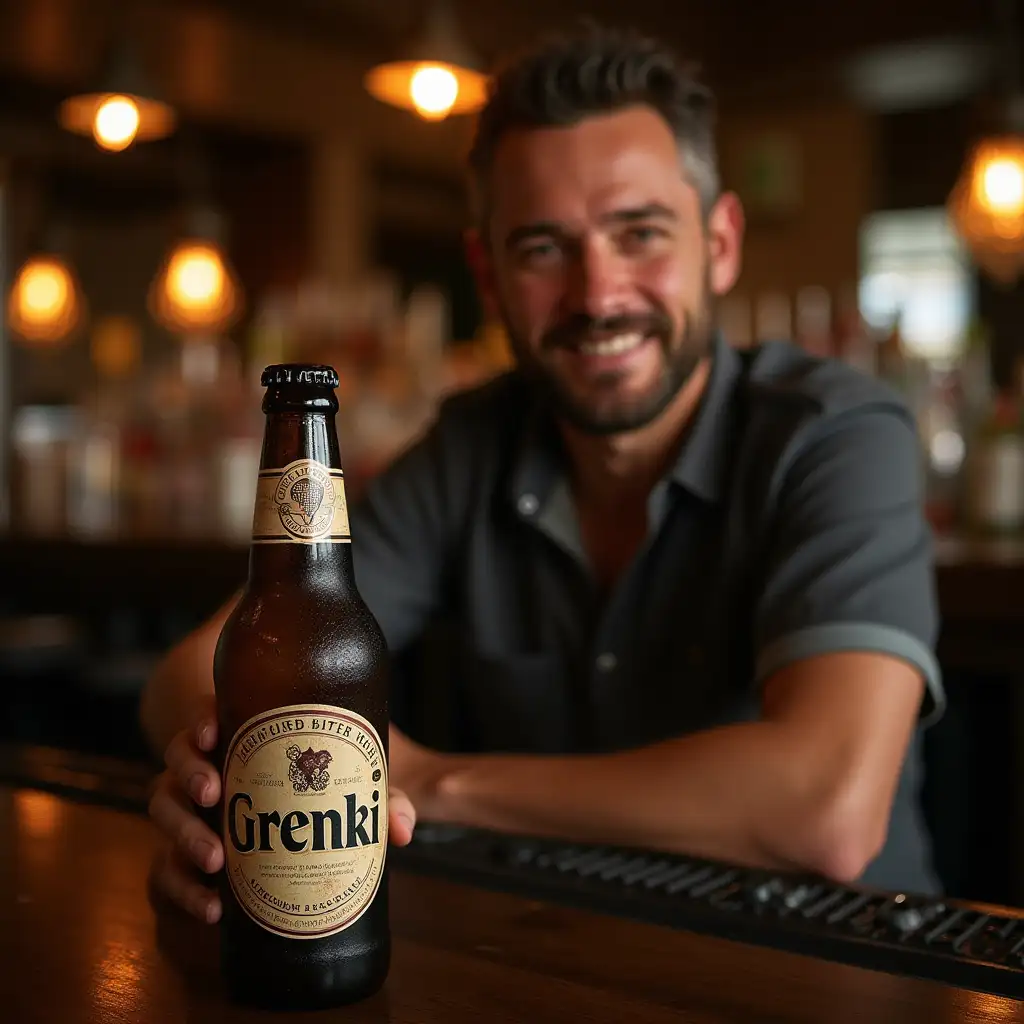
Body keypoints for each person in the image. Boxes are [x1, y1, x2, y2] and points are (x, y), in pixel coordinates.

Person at [143, 24, 945, 925]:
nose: (598, 294)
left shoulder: (834, 433)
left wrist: (430, 780)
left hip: (831, 960)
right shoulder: (469, 447)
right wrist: (220, 789)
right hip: (555, 944)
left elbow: (825, 811)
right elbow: (195, 669)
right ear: (487, 274)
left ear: (719, 243)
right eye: (542, 248)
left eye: (639, 233)